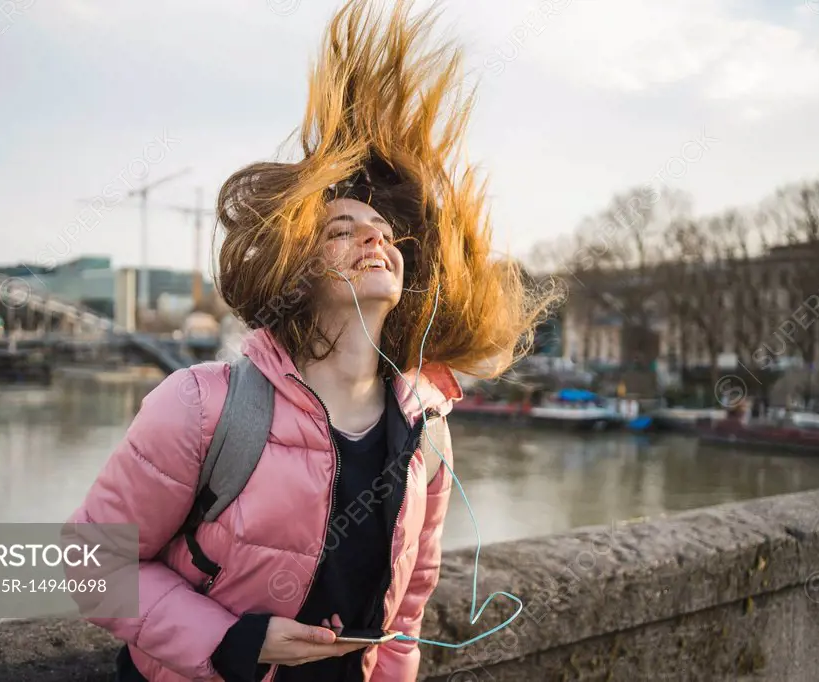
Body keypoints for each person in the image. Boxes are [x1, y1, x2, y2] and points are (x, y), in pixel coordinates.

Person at [66, 0, 556, 680]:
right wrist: (236, 641)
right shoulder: (204, 409)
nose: (374, 237)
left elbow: (405, 616)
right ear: (296, 269)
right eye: (340, 229)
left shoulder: (431, 434)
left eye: (384, 231)